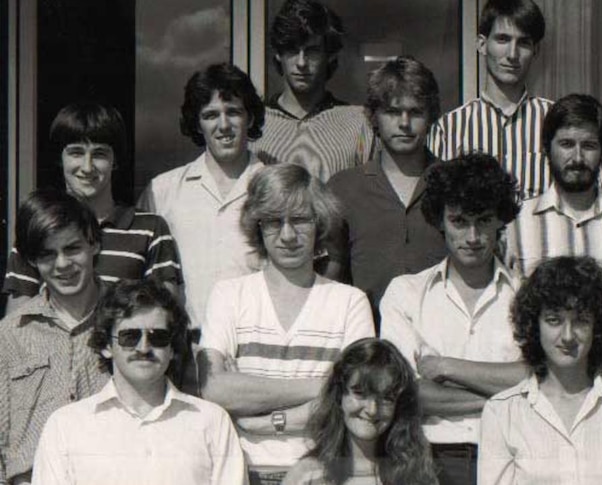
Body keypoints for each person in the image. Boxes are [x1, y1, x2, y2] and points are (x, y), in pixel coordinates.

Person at [198, 163, 375, 484]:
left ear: (320, 224)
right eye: (274, 222)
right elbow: (214, 388)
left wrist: (262, 421)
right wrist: (323, 385)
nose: (288, 235)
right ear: (257, 227)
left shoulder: (350, 302)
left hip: (321, 473)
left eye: (300, 220)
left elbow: (357, 399)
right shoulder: (228, 294)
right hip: (238, 472)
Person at [380, 154, 525, 485]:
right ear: (440, 221)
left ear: (500, 220)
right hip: (429, 462)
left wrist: (446, 367)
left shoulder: (528, 295)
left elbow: (541, 380)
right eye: (460, 221)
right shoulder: (406, 294)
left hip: (513, 461)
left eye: (483, 221)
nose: (472, 237)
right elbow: (407, 394)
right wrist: (505, 394)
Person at [31, 280, 246, 485]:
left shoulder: (212, 422)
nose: (143, 348)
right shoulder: (66, 427)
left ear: (172, 348)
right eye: (130, 336)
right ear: (106, 345)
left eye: (158, 337)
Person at [479, 256, 602, 484]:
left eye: (580, 321)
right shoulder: (502, 413)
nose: (567, 336)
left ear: (597, 327)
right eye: (553, 320)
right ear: (534, 326)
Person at [3, 103, 182, 313]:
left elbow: (166, 317)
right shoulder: (37, 227)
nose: (87, 167)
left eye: (99, 154)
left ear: (115, 160)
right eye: (76, 153)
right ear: (60, 159)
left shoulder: (150, 229)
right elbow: (17, 323)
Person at [139, 62, 266, 334]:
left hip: (258, 348)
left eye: (233, 112)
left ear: (251, 118)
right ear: (197, 123)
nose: (223, 126)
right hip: (186, 352)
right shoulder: (162, 192)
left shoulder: (276, 188)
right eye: (210, 115)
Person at [324, 56, 447, 325]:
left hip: (443, 337)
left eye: (415, 112)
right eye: (393, 112)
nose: (404, 123)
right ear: (374, 118)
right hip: (368, 342)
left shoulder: (452, 183)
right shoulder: (344, 188)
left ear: (432, 117)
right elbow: (330, 279)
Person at [0, 190, 110, 485]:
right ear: (31, 261)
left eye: (72, 248)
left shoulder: (128, 324)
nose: (62, 264)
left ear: (94, 244)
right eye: (48, 254)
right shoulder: (9, 336)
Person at [506, 94, 602, 284]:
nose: (577, 158)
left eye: (589, 146)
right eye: (566, 144)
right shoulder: (516, 223)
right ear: (547, 149)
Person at [428, 0, 550, 198]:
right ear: (482, 44)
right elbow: (436, 211)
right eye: (503, 39)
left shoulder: (555, 122)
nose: (512, 54)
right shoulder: (448, 129)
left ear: (535, 50)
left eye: (524, 43)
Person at [283, 338, 437, 485]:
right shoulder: (305, 475)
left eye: (386, 398)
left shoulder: (416, 474)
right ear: (339, 395)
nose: (372, 409)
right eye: (361, 394)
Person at [252, 0, 375, 181]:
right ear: (278, 54)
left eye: (312, 51)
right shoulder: (254, 125)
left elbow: (373, 198)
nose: (301, 63)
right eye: (292, 50)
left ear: (330, 55)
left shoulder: (359, 123)